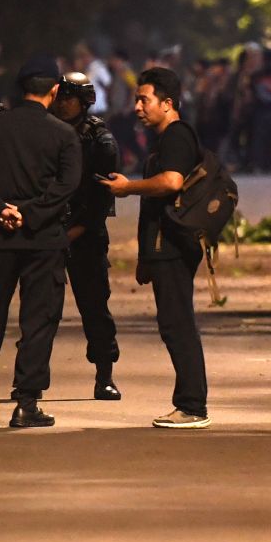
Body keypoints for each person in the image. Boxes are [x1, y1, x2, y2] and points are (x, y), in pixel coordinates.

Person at [0, 53, 81, 429]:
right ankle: (26, 403)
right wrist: (33, 214)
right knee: (38, 322)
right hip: (43, 240)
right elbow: (66, 185)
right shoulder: (63, 134)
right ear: (55, 91)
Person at [99, 67, 209, 429]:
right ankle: (189, 404)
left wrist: (128, 187)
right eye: (136, 100)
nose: (137, 107)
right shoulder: (167, 138)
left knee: (178, 325)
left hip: (175, 247)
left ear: (168, 103)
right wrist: (146, 257)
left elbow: (171, 182)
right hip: (164, 249)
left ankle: (192, 406)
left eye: (144, 99)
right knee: (173, 324)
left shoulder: (176, 136)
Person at [50, 72, 121, 401]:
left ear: (84, 101)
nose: (63, 103)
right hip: (48, 231)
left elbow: (102, 198)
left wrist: (75, 231)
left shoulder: (99, 140)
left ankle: (104, 374)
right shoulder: (44, 132)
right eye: (60, 96)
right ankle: (30, 376)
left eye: (70, 97)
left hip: (85, 232)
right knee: (41, 310)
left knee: (94, 307)